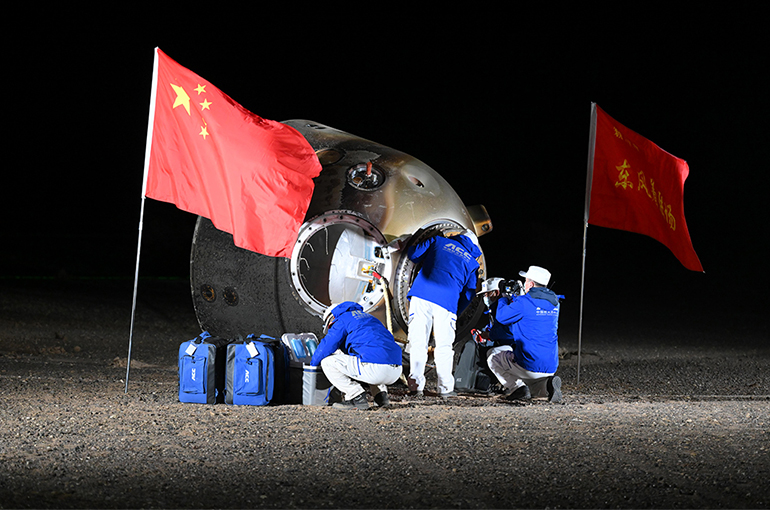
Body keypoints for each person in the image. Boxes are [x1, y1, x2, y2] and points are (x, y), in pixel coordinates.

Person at [405, 229, 482, 399]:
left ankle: (415, 386)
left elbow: (413, 255)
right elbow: (469, 294)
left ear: (459, 236)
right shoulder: (472, 263)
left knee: (418, 342)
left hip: (421, 295)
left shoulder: (438, 241)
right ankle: (445, 389)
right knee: (444, 346)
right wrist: (456, 310)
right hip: (447, 303)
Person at [485, 265, 563, 403]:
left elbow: (502, 317)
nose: (524, 284)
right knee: (535, 390)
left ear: (531, 284)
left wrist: (504, 297)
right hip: (551, 365)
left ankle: (516, 389)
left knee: (493, 356)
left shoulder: (524, 302)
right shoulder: (555, 303)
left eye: (526, 280)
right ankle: (547, 386)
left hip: (529, 364)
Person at [310, 301, 403, 410]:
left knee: (327, 362)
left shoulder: (341, 319)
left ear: (332, 319)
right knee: (368, 358)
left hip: (377, 369)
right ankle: (381, 397)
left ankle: (356, 397)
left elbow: (327, 345)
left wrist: (312, 365)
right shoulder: (369, 318)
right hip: (396, 370)